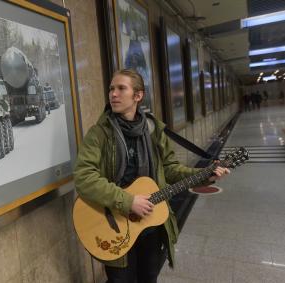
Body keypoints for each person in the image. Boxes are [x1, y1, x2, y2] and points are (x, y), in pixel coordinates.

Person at [73, 69, 230, 283]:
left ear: (138, 96)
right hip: (115, 222)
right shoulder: (99, 133)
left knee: (149, 278)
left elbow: (171, 168)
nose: (113, 94)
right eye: (111, 89)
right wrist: (128, 201)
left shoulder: (153, 130)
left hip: (150, 224)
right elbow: (84, 177)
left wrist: (204, 174)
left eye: (121, 88)